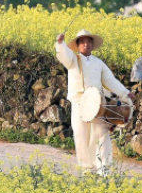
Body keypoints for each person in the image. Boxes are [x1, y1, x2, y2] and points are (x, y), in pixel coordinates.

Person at [55, 29, 135, 174]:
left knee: (101, 135)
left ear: (92, 44)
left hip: (98, 103)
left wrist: (125, 92)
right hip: (79, 103)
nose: (86, 44)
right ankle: (86, 168)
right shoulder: (73, 60)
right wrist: (60, 43)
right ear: (78, 45)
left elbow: (109, 80)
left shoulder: (99, 63)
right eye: (83, 42)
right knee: (80, 135)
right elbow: (64, 55)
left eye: (88, 42)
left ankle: (103, 167)